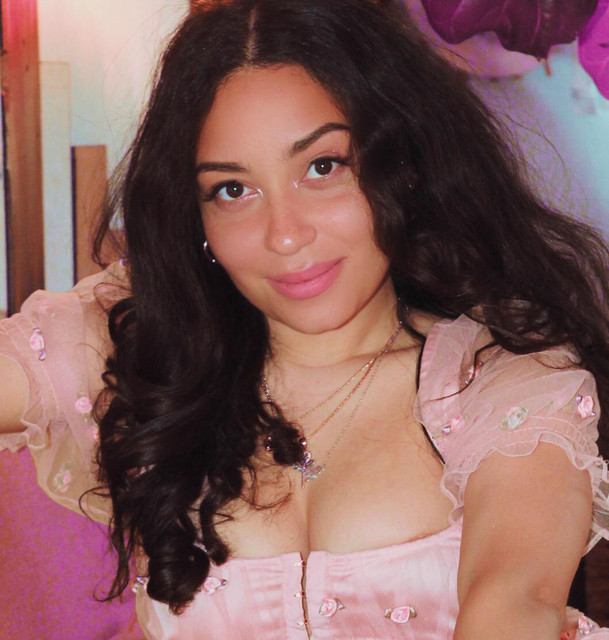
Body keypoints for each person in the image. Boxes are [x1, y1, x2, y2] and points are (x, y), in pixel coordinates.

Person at [1, 0, 609, 638]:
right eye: (233, 190)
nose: (285, 235)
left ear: (401, 167)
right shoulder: (145, 353)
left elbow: (515, 602)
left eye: (322, 167)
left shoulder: (501, 383)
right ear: (196, 214)